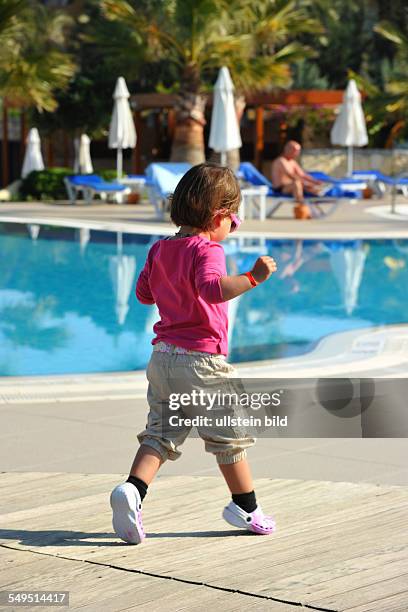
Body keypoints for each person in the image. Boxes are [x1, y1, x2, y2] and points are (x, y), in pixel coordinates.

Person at [110, 163, 278, 545]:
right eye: (232, 220)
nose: (232, 228)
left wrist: (166, 278)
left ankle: (133, 490)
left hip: (163, 359)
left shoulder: (160, 249)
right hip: (201, 362)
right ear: (219, 215)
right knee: (230, 435)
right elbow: (212, 290)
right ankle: (246, 507)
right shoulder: (208, 250)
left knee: (161, 433)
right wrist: (253, 278)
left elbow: (143, 295)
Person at [271, 141, 323, 219]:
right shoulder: (281, 161)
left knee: (308, 187)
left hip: (291, 186)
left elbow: (303, 174)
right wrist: (305, 183)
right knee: (297, 183)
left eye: (298, 151)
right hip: (280, 189)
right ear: (288, 149)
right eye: (295, 150)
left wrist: (315, 182)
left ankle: (315, 204)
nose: (297, 153)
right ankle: (302, 207)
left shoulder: (292, 162)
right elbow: (291, 176)